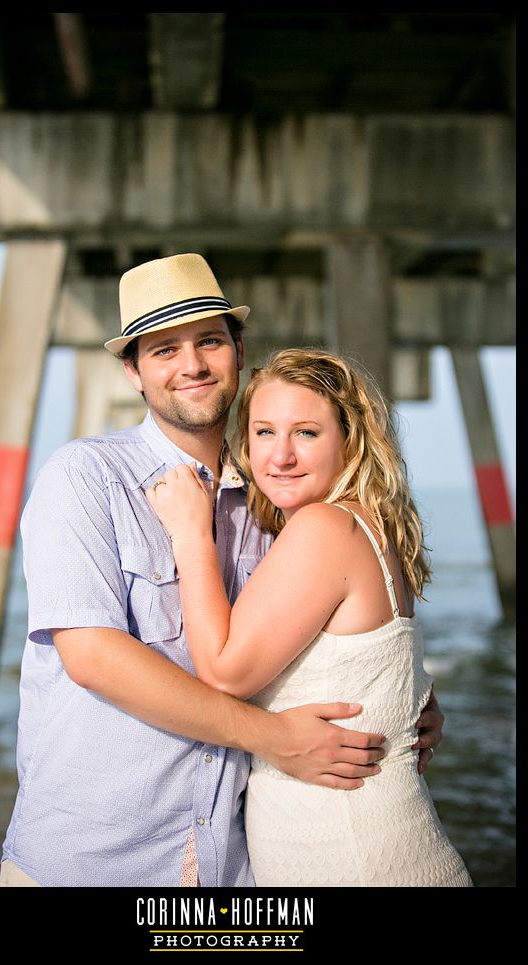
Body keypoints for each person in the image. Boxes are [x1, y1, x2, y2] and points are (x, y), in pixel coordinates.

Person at [0, 253, 443, 887]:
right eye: (162, 351)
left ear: (237, 348)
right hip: (97, 857)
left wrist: (404, 703)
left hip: (232, 865)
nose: (192, 366)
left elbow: (333, 636)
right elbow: (93, 655)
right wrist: (272, 736)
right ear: (133, 372)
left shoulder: (279, 503)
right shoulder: (86, 478)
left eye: (209, 340)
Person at [147, 346, 472, 887]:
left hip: (355, 862)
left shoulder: (323, 527)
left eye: (306, 433)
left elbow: (225, 672)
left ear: (350, 440)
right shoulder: (366, 526)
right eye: (264, 432)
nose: (280, 456)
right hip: (374, 848)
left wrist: (190, 534)